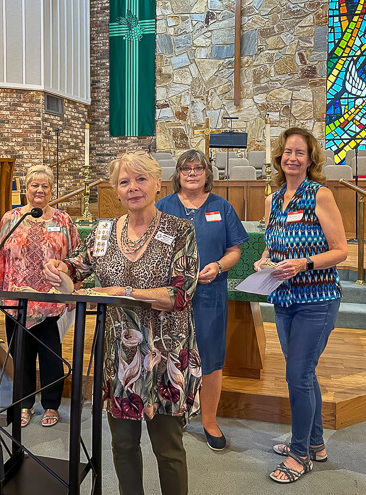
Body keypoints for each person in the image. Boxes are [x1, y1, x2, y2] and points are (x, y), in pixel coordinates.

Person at [44, 150, 201, 495]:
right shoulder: (103, 232)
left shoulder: (180, 230)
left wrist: (124, 290)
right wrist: (60, 269)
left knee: (168, 450)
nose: (133, 187)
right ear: (116, 190)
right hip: (120, 358)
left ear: (158, 184)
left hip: (166, 354)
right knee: (123, 446)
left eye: (141, 179)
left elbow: (179, 295)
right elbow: (77, 265)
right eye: (124, 181)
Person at [253, 128, 347, 483]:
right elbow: (271, 245)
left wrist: (304, 263)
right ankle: (317, 444)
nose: (293, 158)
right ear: (279, 157)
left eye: (300, 153)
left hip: (317, 299)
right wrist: (264, 260)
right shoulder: (273, 200)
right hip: (284, 298)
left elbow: (341, 250)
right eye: (288, 152)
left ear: (310, 159)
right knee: (303, 374)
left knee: (297, 374)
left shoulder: (320, 195)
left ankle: (298, 454)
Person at [156, 149, 248, 451]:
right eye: (186, 168)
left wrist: (219, 265)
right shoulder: (162, 207)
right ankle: (174, 415)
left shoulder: (221, 207)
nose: (192, 173)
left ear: (208, 174)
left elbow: (235, 249)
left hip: (210, 295)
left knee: (210, 359)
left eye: (198, 168)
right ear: (178, 175)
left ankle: (209, 420)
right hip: (171, 296)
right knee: (171, 355)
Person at [0, 164, 81, 428]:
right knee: (21, 355)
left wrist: (71, 290)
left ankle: (51, 404)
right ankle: (25, 404)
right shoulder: (11, 218)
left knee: (51, 355)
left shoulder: (63, 220)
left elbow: (77, 258)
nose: (39, 190)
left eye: (45, 185)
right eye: (34, 185)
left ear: (51, 189)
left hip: (51, 302)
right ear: (25, 189)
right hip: (17, 301)